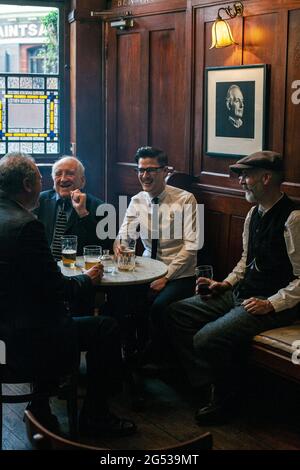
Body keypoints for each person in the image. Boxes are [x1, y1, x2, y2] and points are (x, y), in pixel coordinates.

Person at [0, 152, 136, 437]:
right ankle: (95, 416)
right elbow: (58, 289)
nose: (56, 181)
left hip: (7, 331)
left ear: (83, 180)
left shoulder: (11, 214)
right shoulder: (26, 224)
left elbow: (105, 243)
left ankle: (39, 406)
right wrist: (86, 281)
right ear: (28, 184)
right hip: (25, 341)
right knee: (105, 327)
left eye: (69, 174)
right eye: (44, 178)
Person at [167, 150, 300, 423]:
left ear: (266, 178)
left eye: (246, 176)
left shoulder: (293, 218)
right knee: (177, 313)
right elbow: (245, 260)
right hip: (243, 293)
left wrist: (271, 304)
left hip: (274, 303)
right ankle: (210, 385)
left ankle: (227, 399)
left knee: (206, 338)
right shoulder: (253, 214)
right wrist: (223, 284)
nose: (241, 182)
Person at [114, 146, 198, 364]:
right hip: (147, 271)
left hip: (180, 275)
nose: (145, 175)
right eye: (141, 170)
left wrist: (167, 276)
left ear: (165, 171)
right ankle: (129, 352)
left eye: (151, 170)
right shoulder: (137, 201)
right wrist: (121, 245)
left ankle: (155, 358)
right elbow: (125, 235)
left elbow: (191, 246)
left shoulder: (186, 199)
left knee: (160, 307)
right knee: (119, 300)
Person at [36, 155, 110, 259]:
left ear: (82, 181)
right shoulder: (39, 201)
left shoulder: (101, 208)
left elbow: (105, 249)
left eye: (70, 174)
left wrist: (83, 214)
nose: (63, 179)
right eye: (58, 174)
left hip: (79, 269)